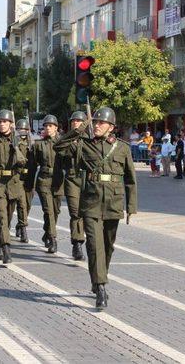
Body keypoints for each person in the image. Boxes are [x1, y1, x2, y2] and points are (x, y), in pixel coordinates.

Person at [54, 107, 137, 309]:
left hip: (113, 203)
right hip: (91, 203)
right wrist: (79, 129)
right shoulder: (83, 145)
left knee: (108, 246)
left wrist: (131, 206)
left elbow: (131, 179)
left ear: (111, 127)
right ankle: (100, 286)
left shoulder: (122, 148)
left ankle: (99, 276)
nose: (97, 125)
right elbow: (59, 146)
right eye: (95, 122)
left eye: (101, 123)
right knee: (94, 245)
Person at [0, 110, 27, 263]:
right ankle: (6, 248)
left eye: (5, 121)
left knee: (8, 218)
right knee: (2, 217)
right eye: (0, 121)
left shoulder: (19, 143)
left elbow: (24, 163)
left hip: (13, 183)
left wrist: (17, 149)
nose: (2, 124)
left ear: (11, 124)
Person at [29, 115, 64, 254]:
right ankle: (53, 239)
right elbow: (32, 165)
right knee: (48, 210)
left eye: (51, 125)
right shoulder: (39, 144)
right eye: (46, 126)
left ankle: (47, 232)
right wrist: (29, 184)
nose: (48, 128)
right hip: (43, 180)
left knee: (55, 211)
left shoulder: (62, 143)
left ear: (56, 127)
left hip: (58, 180)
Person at [59, 111, 88, 260]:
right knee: (75, 212)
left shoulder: (90, 139)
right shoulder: (67, 140)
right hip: (72, 178)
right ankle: (77, 243)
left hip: (88, 180)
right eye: (73, 121)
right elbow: (58, 147)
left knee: (88, 214)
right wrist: (72, 135)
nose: (75, 123)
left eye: (79, 121)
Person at [13, 118, 35, 244]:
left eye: (25, 129)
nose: (23, 131)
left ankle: (20, 224)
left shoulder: (32, 143)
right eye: (20, 129)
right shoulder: (15, 142)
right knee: (21, 204)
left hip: (29, 178)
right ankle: (23, 230)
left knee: (28, 205)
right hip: (18, 177)